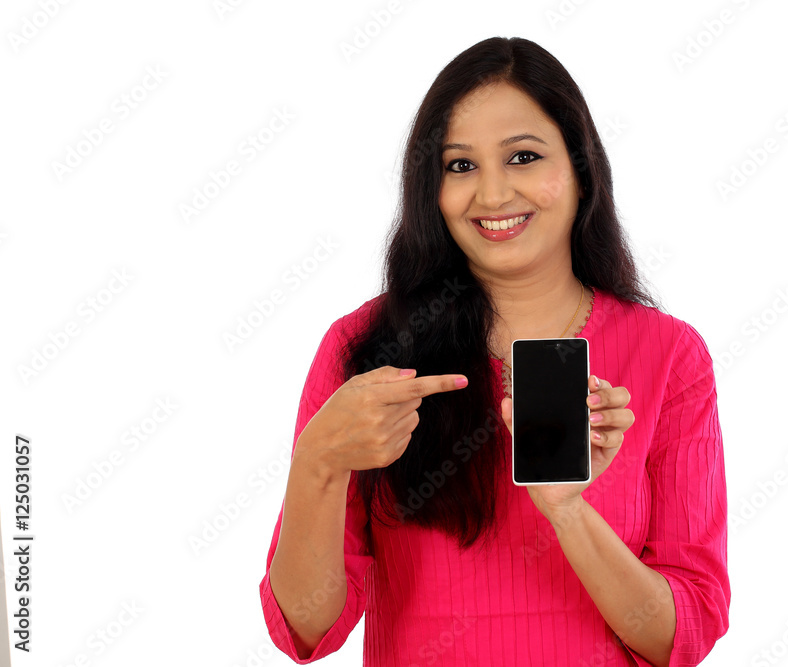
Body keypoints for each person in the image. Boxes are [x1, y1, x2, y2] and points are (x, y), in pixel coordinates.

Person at [259, 36, 730, 666]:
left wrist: (568, 512)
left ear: (581, 169)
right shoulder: (363, 349)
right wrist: (317, 461)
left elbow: (683, 633)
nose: (492, 195)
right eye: (460, 165)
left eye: (524, 156)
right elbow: (307, 630)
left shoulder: (669, 354)